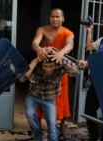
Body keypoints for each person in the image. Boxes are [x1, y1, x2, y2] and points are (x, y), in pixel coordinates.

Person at [31, 7, 74, 140]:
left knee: (62, 103)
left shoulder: (68, 33)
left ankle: (61, 126)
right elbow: (35, 42)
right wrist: (38, 49)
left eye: (57, 17)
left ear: (63, 19)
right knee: (39, 98)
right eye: (52, 17)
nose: (54, 19)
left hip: (60, 71)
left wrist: (61, 53)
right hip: (44, 69)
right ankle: (36, 125)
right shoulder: (42, 29)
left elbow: (70, 45)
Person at [19, 47, 80, 141]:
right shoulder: (36, 67)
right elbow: (22, 79)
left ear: (56, 65)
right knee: (30, 115)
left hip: (49, 99)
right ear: (41, 65)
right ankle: (39, 136)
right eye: (45, 66)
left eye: (51, 66)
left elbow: (76, 72)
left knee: (52, 123)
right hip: (34, 95)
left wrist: (61, 57)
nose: (48, 69)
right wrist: (36, 60)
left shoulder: (60, 68)